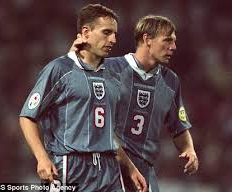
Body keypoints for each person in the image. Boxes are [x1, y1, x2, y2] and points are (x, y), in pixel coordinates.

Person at [19, 4, 147, 192]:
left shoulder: (113, 76)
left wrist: (130, 167)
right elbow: (27, 117)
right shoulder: (60, 69)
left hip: (108, 168)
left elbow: (106, 132)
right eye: (106, 32)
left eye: (114, 34)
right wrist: (42, 158)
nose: (113, 39)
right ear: (85, 33)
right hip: (70, 167)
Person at [71, 15, 199, 192]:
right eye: (168, 40)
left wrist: (189, 149)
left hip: (145, 171)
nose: (173, 47)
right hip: (108, 166)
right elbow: (96, 124)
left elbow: (178, 127)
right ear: (147, 39)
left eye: (174, 41)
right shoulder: (108, 69)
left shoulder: (171, 81)